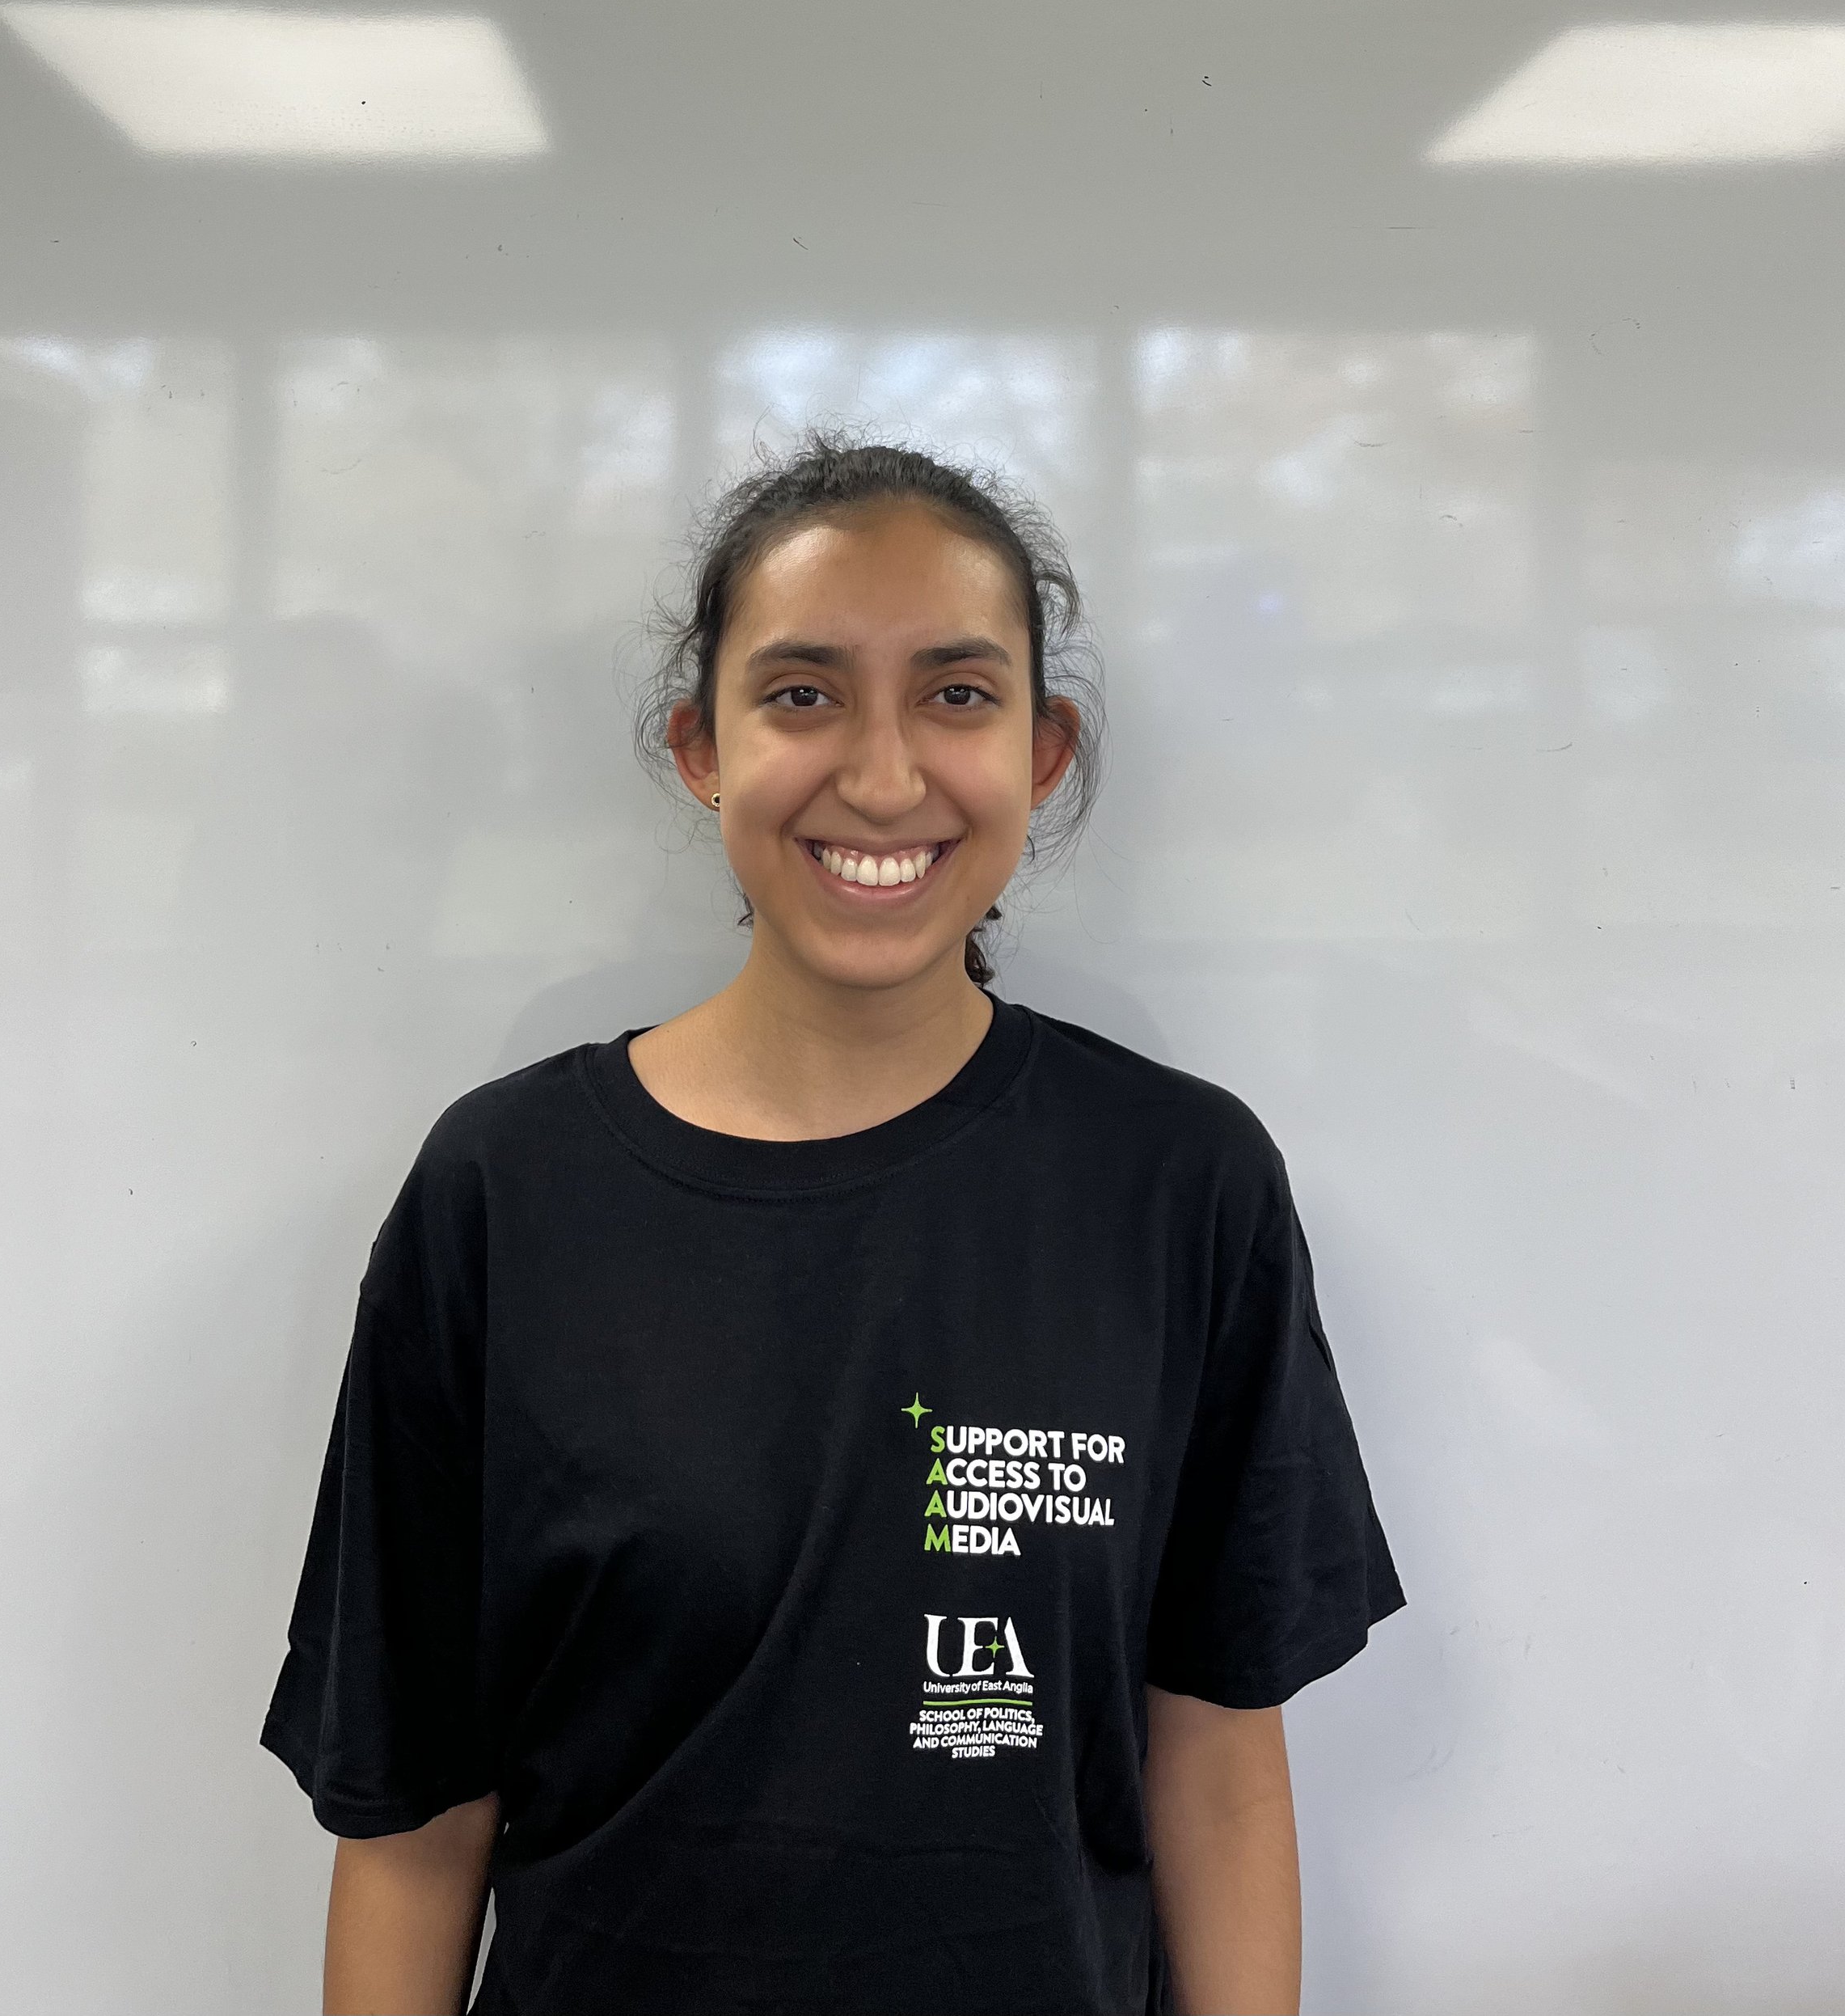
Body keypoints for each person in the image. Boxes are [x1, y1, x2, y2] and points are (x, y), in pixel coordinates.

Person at [260, 433, 1405, 2016]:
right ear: (701, 747)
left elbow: (1215, 1767)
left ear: (1042, 751)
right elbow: (411, 1812)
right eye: (802, 693)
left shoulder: (1179, 1183)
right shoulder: (503, 1191)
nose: (880, 775)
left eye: (956, 693)